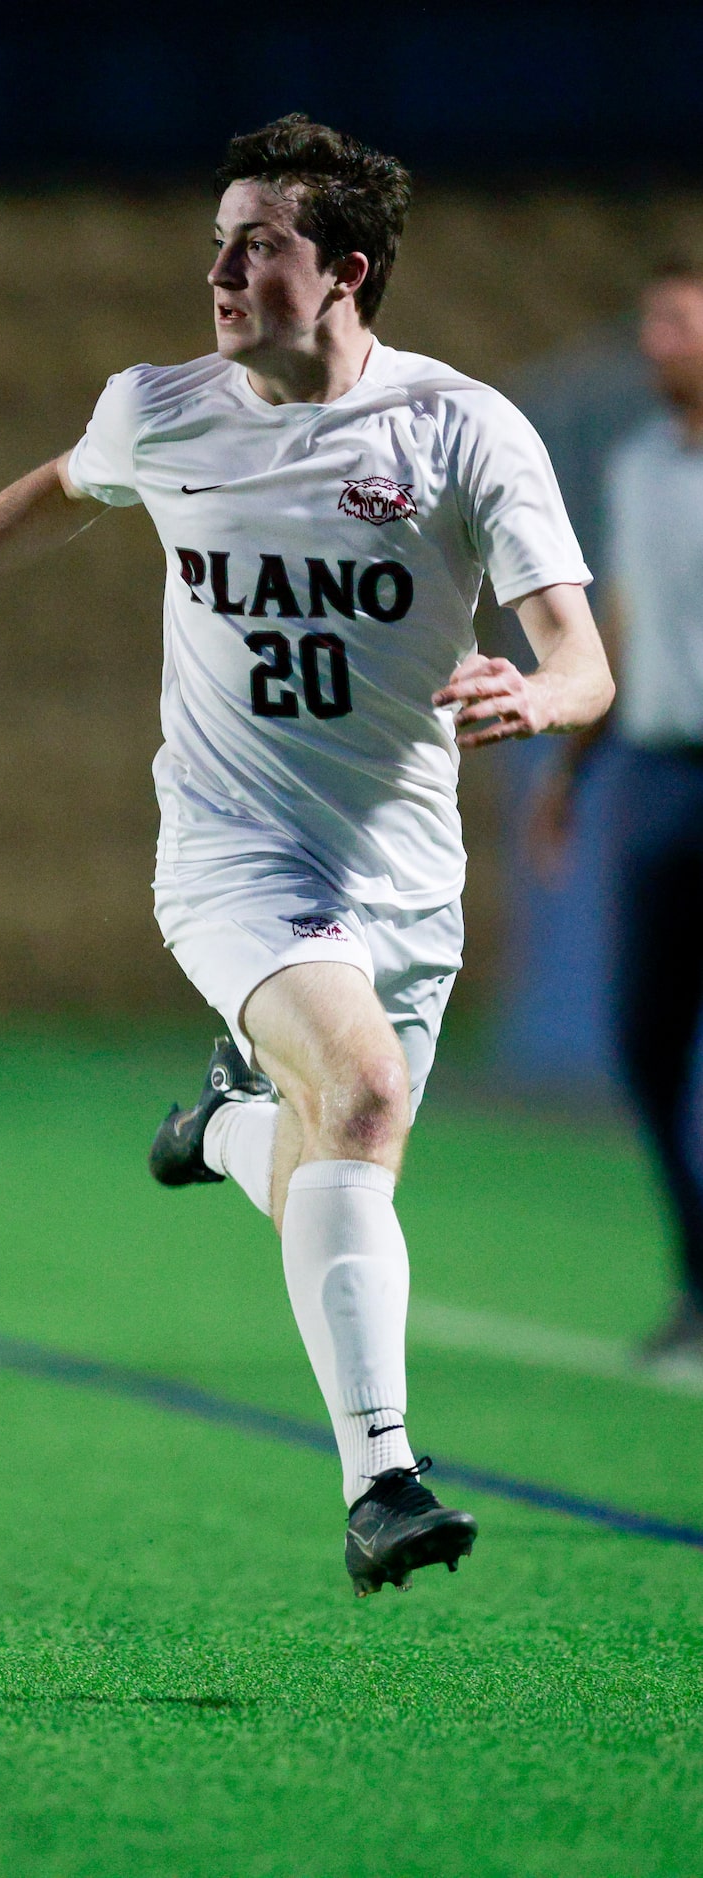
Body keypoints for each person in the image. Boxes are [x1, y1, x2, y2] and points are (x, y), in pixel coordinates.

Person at [0, 116, 612, 1594]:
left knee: (346, 1150)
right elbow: (66, 486)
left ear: (343, 272)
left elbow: (581, 656)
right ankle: (380, 1480)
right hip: (231, 850)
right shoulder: (162, 407)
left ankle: (216, 1126)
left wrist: (539, 693)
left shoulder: (459, 430)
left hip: (400, 872)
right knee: (367, 1091)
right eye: (214, 240)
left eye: (254, 243)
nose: (216, 270)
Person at [535, 259, 703, 1367]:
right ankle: (696, 1280)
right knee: (644, 1044)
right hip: (655, 775)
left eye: (675, 321)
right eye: (647, 319)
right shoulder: (640, 464)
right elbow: (625, 622)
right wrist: (567, 777)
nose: (652, 340)